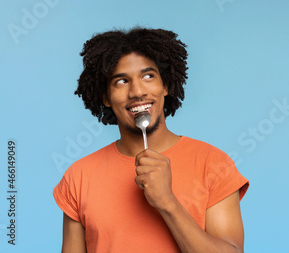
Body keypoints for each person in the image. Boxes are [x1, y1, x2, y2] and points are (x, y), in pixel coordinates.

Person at [53, 28, 249, 253]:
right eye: (121, 81)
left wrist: (167, 202)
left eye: (148, 76)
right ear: (106, 98)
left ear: (165, 86)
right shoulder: (79, 176)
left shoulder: (213, 164)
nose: (137, 92)